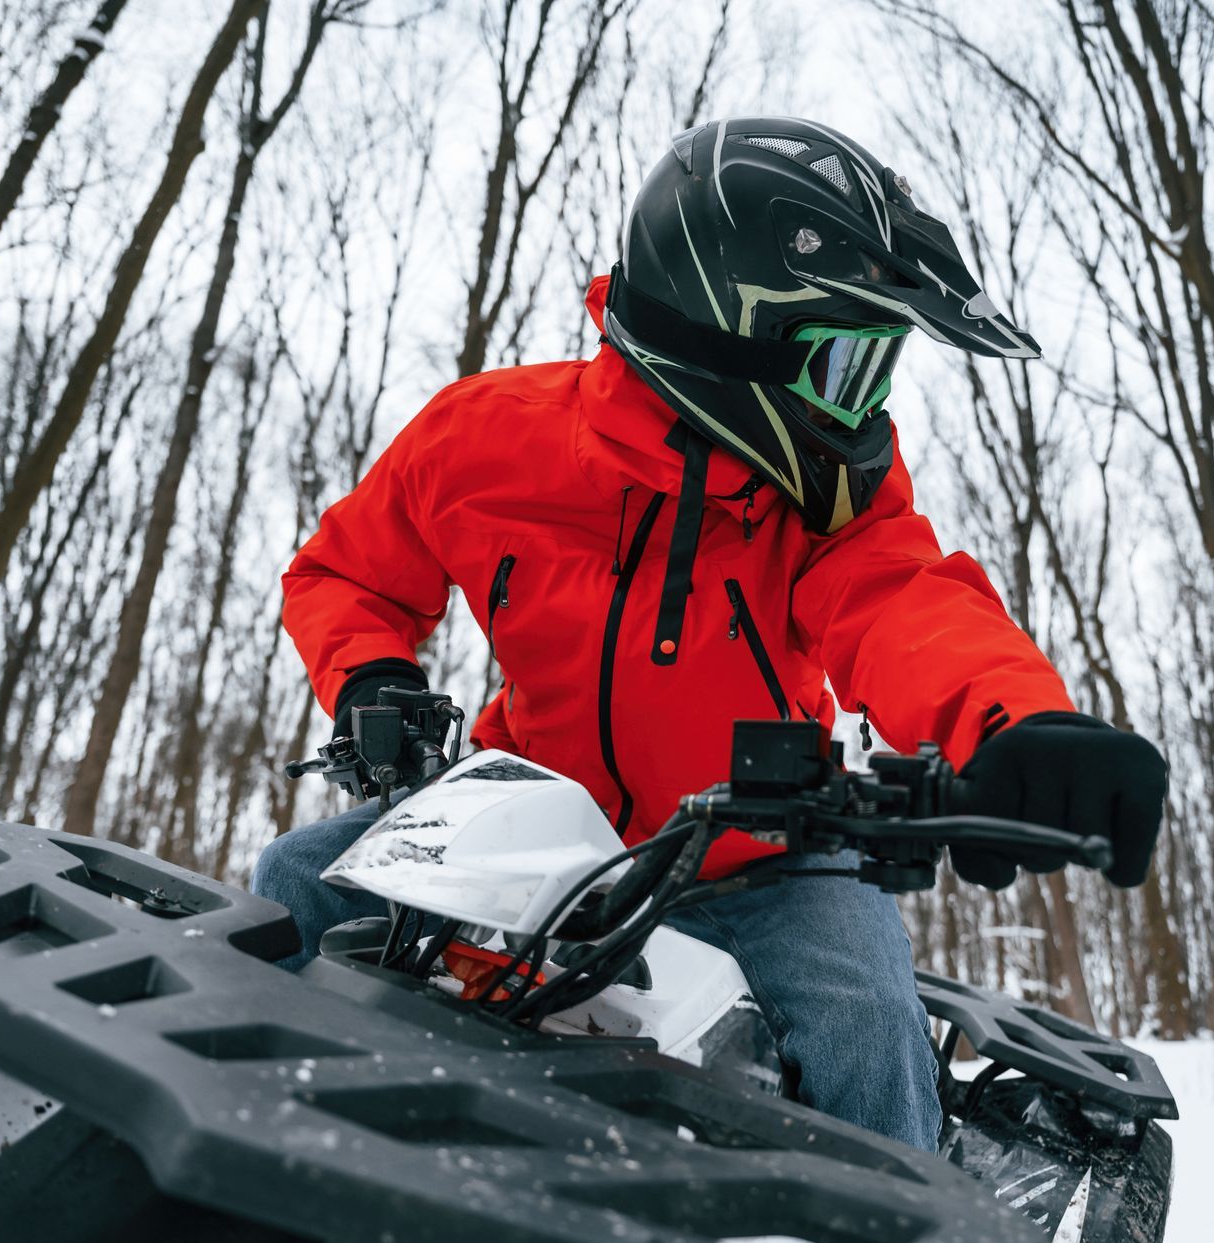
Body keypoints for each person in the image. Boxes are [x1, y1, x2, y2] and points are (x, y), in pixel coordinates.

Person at [255, 117, 1167, 1151]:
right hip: (521, 829)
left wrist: (1015, 725)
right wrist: (372, 677)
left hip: (765, 851)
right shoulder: (482, 436)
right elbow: (343, 570)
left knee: (867, 1030)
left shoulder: (824, 500)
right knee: (291, 885)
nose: (861, 405)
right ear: (731, 328)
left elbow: (907, 600)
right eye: (846, 364)